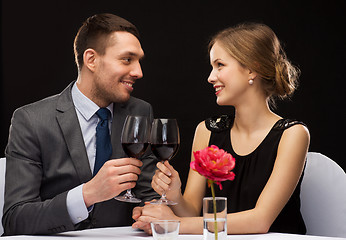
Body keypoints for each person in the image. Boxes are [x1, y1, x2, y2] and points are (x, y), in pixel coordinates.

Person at [133, 22, 310, 235]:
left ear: (252, 69)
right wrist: (175, 196)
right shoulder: (207, 131)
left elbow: (260, 220)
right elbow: (190, 211)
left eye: (220, 65)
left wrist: (173, 224)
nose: (210, 77)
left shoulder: (292, 134)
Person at [3, 13, 159, 235]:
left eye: (139, 61)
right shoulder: (31, 120)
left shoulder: (141, 112)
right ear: (91, 60)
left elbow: (149, 194)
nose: (138, 72)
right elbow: (15, 219)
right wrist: (87, 194)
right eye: (127, 59)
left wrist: (154, 208)